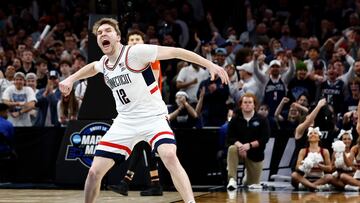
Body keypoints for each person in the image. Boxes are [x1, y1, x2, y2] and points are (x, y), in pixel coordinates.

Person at [59, 18, 229, 203]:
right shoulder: (104, 63)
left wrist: (209, 64)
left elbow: (175, 51)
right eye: (99, 33)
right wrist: (71, 79)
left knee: (169, 155)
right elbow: (92, 67)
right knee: (94, 172)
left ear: (117, 36)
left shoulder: (135, 52)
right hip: (125, 120)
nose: (103, 35)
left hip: (153, 116)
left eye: (108, 31)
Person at [106, 29, 166, 197]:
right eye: (131, 39)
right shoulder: (129, 60)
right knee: (143, 147)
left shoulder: (148, 58)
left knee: (143, 146)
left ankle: (127, 182)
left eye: (137, 39)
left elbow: (150, 85)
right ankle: (152, 184)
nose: (133, 41)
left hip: (150, 110)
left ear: (143, 42)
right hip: (140, 111)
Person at [226, 93, 270, 190]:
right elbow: (230, 137)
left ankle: (246, 177)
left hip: (255, 154)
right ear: (241, 105)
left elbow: (264, 139)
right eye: (245, 102)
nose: (247, 104)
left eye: (250, 102)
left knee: (251, 185)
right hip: (239, 151)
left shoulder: (262, 120)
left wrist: (249, 146)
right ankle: (232, 179)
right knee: (232, 149)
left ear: (254, 105)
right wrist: (241, 146)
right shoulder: (234, 119)